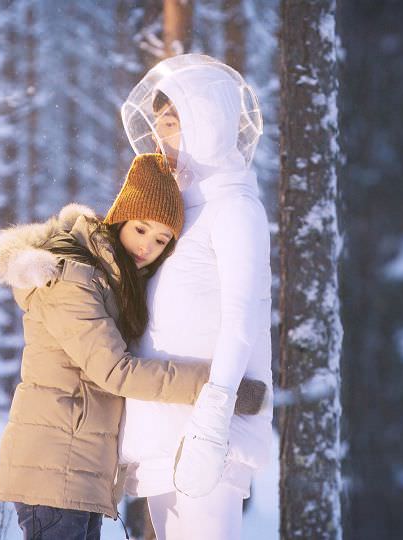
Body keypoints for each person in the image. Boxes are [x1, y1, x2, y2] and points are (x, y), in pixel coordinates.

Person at [0, 153, 266, 540]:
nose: (147, 245)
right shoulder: (71, 279)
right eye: (141, 228)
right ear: (120, 216)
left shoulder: (109, 283)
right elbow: (116, 371)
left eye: (161, 239)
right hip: (54, 467)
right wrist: (219, 387)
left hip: (77, 470)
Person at [118, 54, 273, 540]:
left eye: (173, 123)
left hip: (207, 429)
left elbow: (242, 318)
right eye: (160, 123)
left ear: (208, 124)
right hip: (163, 426)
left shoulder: (235, 206)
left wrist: (214, 411)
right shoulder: (182, 209)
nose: (163, 137)